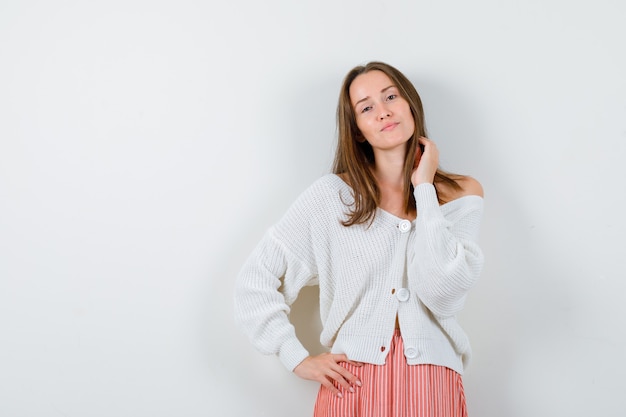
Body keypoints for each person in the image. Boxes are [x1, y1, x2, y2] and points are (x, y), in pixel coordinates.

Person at [234, 61, 484, 417]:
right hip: (352, 382)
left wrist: (424, 189)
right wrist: (296, 357)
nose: (383, 112)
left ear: (410, 105)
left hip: (432, 381)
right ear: (358, 131)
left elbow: (444, 292)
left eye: (391, 97)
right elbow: (254, 282)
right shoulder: (331, 197)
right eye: (367, 108)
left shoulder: (460, 194)